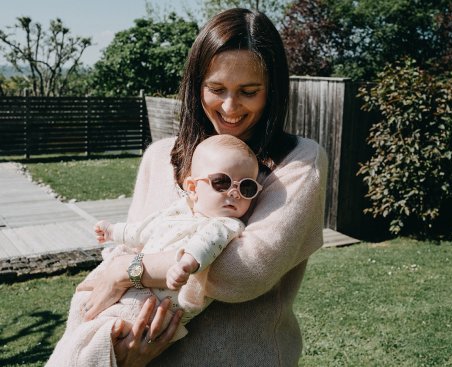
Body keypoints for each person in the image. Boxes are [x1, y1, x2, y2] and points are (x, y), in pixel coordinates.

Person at [62, 7, 328, 367]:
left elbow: (244, 272)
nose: (230, 107)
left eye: (249, 91)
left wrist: (125, 270)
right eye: (216, 89)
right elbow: (135, 240)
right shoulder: (159, 156)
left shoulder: (298, 161)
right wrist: (123, 354)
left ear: (273, 91)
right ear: (195, 86)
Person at [46, 135, 263, 366]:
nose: (234, 193)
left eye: (247, 187)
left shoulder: (227, 224)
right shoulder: (178, 211)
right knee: (81, 306)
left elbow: (207, 245)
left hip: (153, 308)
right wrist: (113, 231)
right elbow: (143, 230)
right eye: (222, 182)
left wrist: (186, 264)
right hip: (132, 290)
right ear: (192, 187)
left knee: (101, 337)